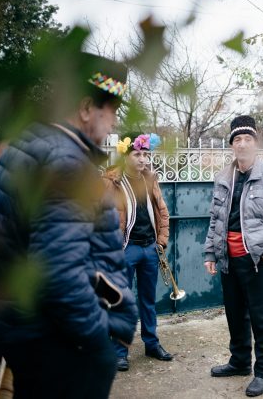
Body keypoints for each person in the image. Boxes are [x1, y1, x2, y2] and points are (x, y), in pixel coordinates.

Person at [0, 53, 138, 399]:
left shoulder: (29, 146)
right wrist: (97, 341)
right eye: (112, 111)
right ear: (86, 108)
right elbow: (60, 271)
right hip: (58, 340)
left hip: (24, 331)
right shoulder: (67, 163)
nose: (113, 124)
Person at [203, 115, 263, 397]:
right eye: (237, 139)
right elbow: (215, 219)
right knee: (234, 313)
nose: (242, 144)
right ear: (232, 145)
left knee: (261, 318)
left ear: (256, 143)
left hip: (257, 259)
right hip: (228, 259)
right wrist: (211, 252)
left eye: (247, 139)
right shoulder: (223, 177)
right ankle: (240, 361)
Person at [103, 132, 172, 371]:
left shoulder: (150, 178)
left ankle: (151, 344)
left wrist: (161, 241)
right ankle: (119, 352)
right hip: (126, 249)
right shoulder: (112, 181)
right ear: (125, 156)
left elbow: (162, 211)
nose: (143, 159)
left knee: (148, 301)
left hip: (149, 248)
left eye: (145, 154)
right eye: (137, 155)